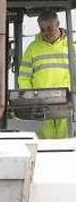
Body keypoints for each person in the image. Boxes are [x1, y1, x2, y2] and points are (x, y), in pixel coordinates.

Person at [18, 11, 73, 139]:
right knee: (45, 146)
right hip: (41, 106)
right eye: (42, 29)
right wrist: (31, 99)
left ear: (58, 24)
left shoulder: (72, 45)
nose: (46, 33)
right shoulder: (32, 48)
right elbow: (24, 77)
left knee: (67, 144)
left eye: (49, 28)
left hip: (68, 104)